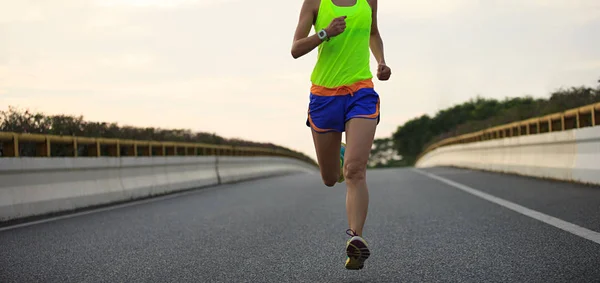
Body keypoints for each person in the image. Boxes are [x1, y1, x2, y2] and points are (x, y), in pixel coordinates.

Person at [291, 0, 391, 270]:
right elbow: (295, 49)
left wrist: (381, 61)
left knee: (355, 171)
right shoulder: (315, 3)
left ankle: (355, 239)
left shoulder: (369, 1)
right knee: (330, 177)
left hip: (361, 91)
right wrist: (324, 33)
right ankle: (341, 155)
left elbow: (372, 32)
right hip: (324, 96)